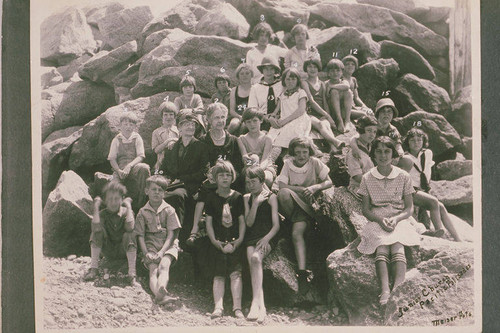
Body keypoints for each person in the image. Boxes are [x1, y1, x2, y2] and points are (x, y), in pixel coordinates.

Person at [357, 136, 421, 305]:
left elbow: (409, 208)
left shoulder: (403, 176)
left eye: (387, 151)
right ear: (373, 154)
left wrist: (397, 218)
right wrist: (379, 220)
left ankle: (398, 289)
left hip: (399, 217)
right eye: (379, 151)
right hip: (377, 218)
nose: (383, 155)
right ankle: (385, 290)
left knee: (398, 245)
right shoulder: (367, 178)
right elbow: (365, 209)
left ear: (393, 154)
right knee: (381, 247)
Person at [277, 137, 332, 293]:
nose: (301, 155)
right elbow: (282, 185)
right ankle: (294, 220)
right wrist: (301, 189)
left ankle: (302, 273)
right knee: (283, 194)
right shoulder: (288, 164)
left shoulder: (314, 163)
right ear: (293, 152)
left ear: (310, 152)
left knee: (296, 233)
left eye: (305, 152)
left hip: (310, 204)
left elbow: (328, 182)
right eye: (298, 152)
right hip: (294, 205)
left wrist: (314, 187)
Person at [188, 103, 244, 244]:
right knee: (204, 192)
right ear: (208, 120)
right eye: (216, 118)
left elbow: (238, 165)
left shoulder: (233, 140)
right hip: (210, 181)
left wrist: (228, 176)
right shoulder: (202, 141)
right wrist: (210, 175)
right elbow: (199, 166)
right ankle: (194, 229)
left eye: (223, 117)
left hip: (229, 180)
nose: (220, 121)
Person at [400, 128, 462, 241]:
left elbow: (427, 171)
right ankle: (440, 232)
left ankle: (458, 238)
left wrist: (427, 188)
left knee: (441, 207)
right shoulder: (405, 157)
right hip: (410, 190)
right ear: (407, 142)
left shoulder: (427, 153)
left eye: (419, 140)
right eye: (412, 140)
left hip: (422, 189)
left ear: (423, 141)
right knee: (433, 202)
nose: (416, 143)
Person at [160, 111, 209, 246]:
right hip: (171, 185)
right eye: (186, 124)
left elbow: (204, 172)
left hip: (191, 187)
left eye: (192, 124)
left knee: (178, 196)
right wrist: (166, 181)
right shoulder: (171, 148)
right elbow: (163, 169)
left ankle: (177, 240)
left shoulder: (201, 147)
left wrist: (181, 180)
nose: (190, 127)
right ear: (179, 127)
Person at [204, 161, 246, 319]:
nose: (225, 178)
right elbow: (208, 223)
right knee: (219, 274)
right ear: (215, 178)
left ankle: (237, 307)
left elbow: (241, 221)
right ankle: (218, 307)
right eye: (221, 175)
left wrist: (240, 240)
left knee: (236, 273)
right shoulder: (210, 198)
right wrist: (215, 241)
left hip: (235, 241)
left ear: (232, 177)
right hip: (218, 241)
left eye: (228, 174)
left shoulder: (237, 197)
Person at [135, 176, 182, 304]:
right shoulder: (142, 212)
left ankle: (161, 287)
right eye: (154, 189)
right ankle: (159, 295)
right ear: (146, 191)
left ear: (164, 193)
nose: (157, 192)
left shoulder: (169, 210)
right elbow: (140, 235)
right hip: (150, 245)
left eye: (160, 190)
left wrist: (162, 252)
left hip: (167, 245)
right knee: (153, 269)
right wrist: (146, 253)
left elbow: (171, 235)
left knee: (164, 265)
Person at [83, 181, 139, 287]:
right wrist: (96, 207)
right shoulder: (102, 214)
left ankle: (132, 274)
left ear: (122, 199)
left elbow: (130, 227)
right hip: (109, 250)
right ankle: (93, 269)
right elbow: (95, 229)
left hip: (123, 250)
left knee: (129, 235)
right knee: (96, 233)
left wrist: (129, 206)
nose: (113, 202)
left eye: (117, 199)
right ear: (105, 201)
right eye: (110, 199)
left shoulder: (126, 212)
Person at [243, 166, 280, 322]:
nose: (250, 185)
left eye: (253, 182)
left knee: (256, 259)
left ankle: (255, 304)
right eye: (247, 182)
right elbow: (249, 223)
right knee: (253, 262)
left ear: (262, 181)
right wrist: (256, 203)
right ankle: (261, 307)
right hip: (251, 236)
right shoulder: (247, 198)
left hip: (267, 236)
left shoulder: (272, 197)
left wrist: (266, 238)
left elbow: (276, 225)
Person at [107, 111, 151, 212]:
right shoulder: (117, 139)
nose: (128, 127)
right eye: (125, 124)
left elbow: (140, 156)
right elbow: (112, 159)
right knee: (114, 186)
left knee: (144, 168)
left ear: (135, 126)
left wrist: (130, 166)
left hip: (133, 167)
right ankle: (118, 211)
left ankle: (141, 204)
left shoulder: (137, 137)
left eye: (131, 124)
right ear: (120, 126)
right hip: (120, 169)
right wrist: (118, 171)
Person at [267, 67, 311, 163]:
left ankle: (284, 158)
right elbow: (276, 111)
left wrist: (285, 121)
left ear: (297, 80)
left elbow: (301, 110)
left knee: (288, 134)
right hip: (284, 120)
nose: (290, 81)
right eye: (288, 79)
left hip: (298, 119)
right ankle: (269, 161)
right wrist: (272, 118)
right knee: (272, 137)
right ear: (284, 81)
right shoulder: (283, 94)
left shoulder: (301, 93)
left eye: (293, 79)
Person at [303, 58, 345, 153]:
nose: (312, 69)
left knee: (326, 125)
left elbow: (325, 102)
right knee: (320, 124)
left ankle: (334, 148)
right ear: (306, 68)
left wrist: (328, 118)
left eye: (315, 67)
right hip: (309, 112)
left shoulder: (322, 84)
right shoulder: (304, 82)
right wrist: (327, 115)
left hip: (321, 112)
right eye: (310, 67)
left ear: (318, 69)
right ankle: (335, 141)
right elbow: (312, 101)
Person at [237, 108, 276, 188]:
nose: (252, 124)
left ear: (261, 121)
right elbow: (244, 158)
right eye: (248, 122)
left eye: (255, 121)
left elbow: (265, 159)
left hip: (265, 167)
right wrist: (252, 167)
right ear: (245, 123)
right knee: (254, 158)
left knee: (267, 178)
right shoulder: (241, 139)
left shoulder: (267, 138)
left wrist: (258, 172)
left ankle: (265, 196)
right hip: (249, 166)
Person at [346, 115, 378, 198]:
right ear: (361, 130)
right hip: (358, 187)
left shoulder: (370, 145)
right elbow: (357, 176)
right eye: (369, 131)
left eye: (374, 132)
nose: (372, 135)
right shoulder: (354, 153)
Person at [247, 56, 283, 131]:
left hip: (281, 119)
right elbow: (252, 109)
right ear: (262, 71)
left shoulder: (282, 85)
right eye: (265, 69)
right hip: (262, 121)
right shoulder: (255, 88)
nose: (268, 72)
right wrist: (267, 118)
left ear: (275, 70)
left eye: (271, 69)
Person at [325, 59, 353, 133]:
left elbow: (347, 86)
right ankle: (340, 121)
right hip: (333, 112)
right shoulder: (326, 84)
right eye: (332, 71)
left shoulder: (344, 81)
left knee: (348, 92)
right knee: (334, 92)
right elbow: (325, 101)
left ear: (342, 72)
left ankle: (347, 121)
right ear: (328, 73)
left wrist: (331, 87)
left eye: (338, 70)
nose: (335, 73)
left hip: (344, 111)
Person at [151, 101, 179, 172]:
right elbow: (156, 150)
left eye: (171, 114)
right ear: (161, 116)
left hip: (178, 161)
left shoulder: (179, 130)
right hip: (162, 164)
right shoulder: (156, 132)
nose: (168, 117)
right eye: (165, 115)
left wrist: (174, 140)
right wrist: (167, 141)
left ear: (174, 116)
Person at [228, 63, 253, 135]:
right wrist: (240, 117)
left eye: (247, 73)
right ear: (238, 76)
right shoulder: (234, 90)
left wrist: (245, 118)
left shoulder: (255, 89)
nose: (244, 76)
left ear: (251, 75)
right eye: (242, 74)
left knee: (244, 127)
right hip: (238, 116)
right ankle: (225, 140)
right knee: (234, 124)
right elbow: (232, 110)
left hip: (251, 117)